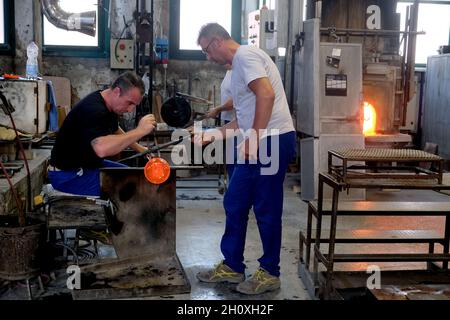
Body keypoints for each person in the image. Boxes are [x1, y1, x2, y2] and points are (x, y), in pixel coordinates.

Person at [195, 23, 296, 295]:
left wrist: (254, 137)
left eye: (206, 50)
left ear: (217, 42)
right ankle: (232, 265)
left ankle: (270, 272)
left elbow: (267, 94)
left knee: (266, 208)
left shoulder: (246, 56)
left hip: (272, 140)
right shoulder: (237, 69)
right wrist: (212, 135)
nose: (208, 58)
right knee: (235, 202)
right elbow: (243, 119)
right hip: (260, 139)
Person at [48, 71, 157, 196]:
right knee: (132, 188)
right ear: (117, 91)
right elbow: (101, 149)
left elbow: (115, 129)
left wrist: (140, 149)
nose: (130, 109)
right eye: (130, 103)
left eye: (134, 105)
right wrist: (139, 131)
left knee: (133, 176)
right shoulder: (94, 110)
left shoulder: (108, 103)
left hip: (87, 166)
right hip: (68, 176)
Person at [206, 63, 236, 180]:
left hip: (237, 123)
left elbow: (235, 100)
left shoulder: (236, 72)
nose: (211, 59)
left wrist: (218, 109)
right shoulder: (229, 72)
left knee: (234, 159)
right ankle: (232, 186)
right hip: (228, 120)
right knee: (230, 159)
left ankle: (236, 189)